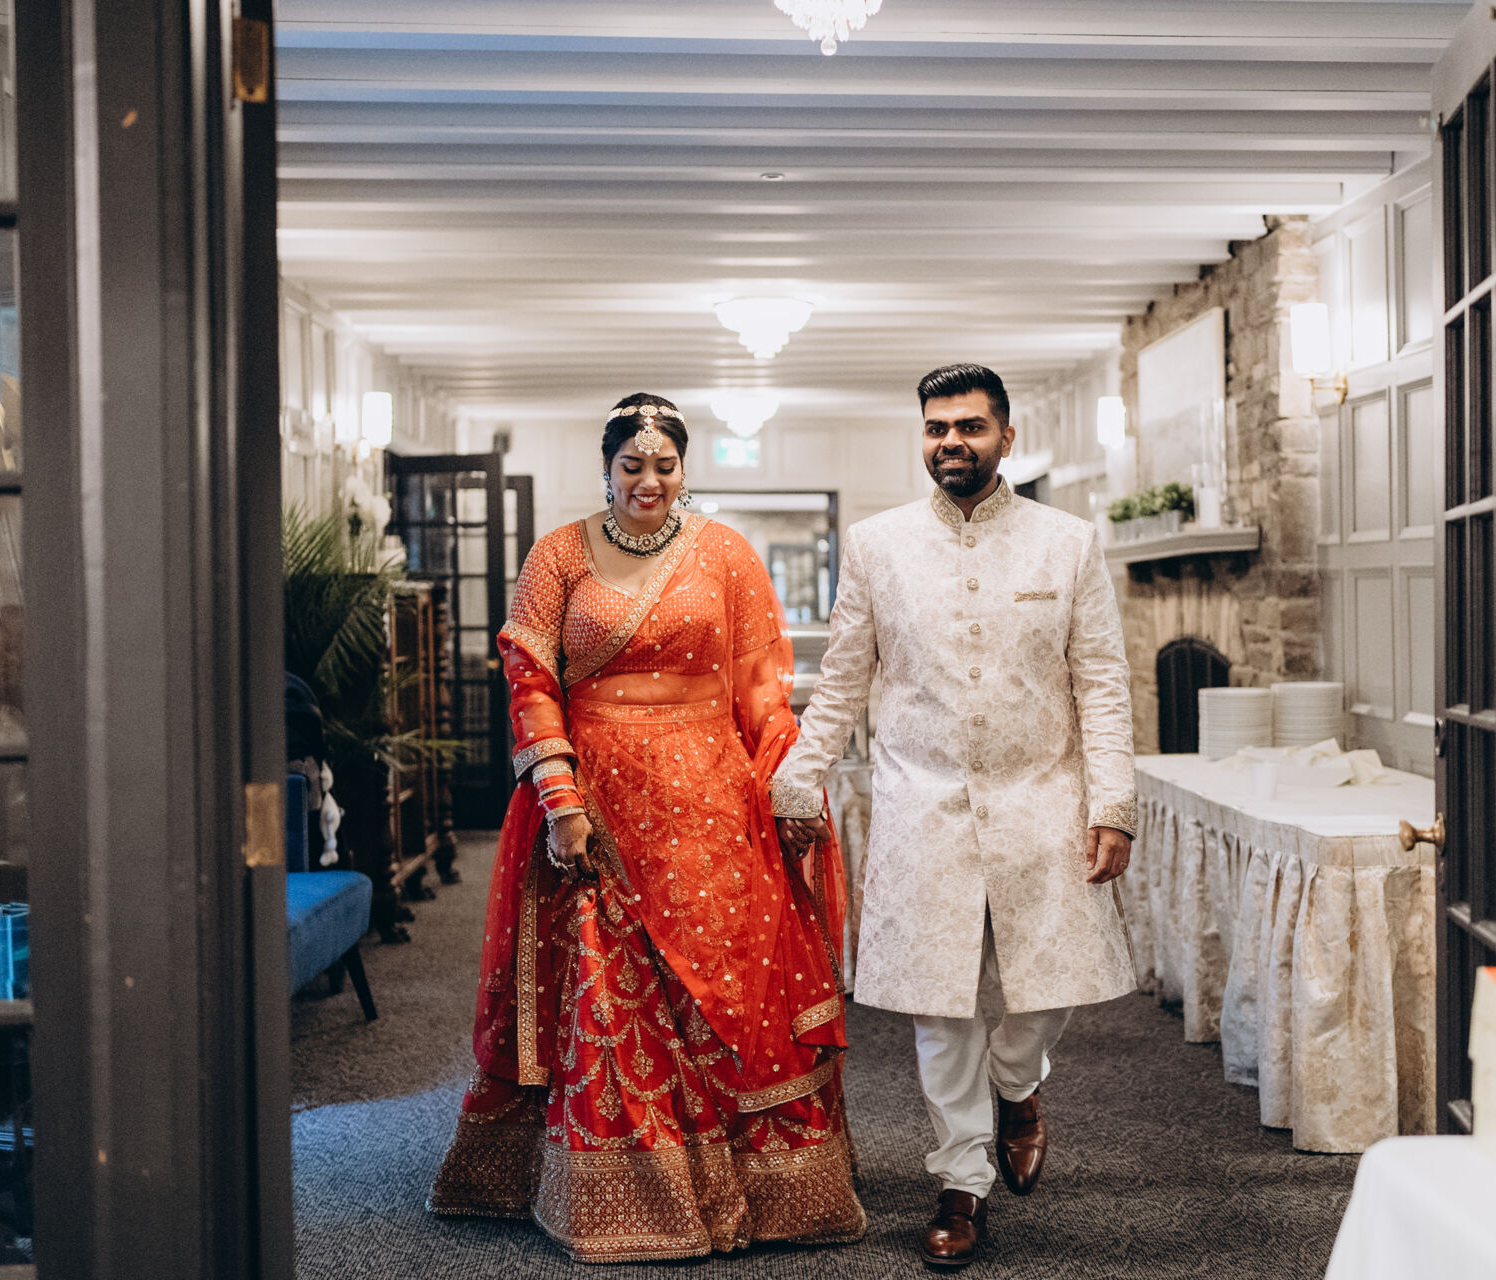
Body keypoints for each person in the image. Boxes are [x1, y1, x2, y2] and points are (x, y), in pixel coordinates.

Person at [429, 394, 865, 1263]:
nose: (649, 482)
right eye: (632, 466)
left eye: (665, 466)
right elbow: (531, 681)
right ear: (607, 468)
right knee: (605, 988)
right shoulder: (558, 555)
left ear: (684, 468)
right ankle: (621, 1195)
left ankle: (758, 1190)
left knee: (725, 987)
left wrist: (789, 784)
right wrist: (561, 801)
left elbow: (763, 689)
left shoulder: (727, 554)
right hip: (597, 808)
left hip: (713, 808)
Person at [773, 363, 1138, 1270]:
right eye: (937, 428)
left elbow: (1101, 681)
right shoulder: (878, 544)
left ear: (1006, 437)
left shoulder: (1067, 543)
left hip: (1042, 798)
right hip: (921, 805)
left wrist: (1113, 802)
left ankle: (1018, 1083)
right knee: (939, 1009)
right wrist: (798, 776)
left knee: (1045, 991)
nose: (951, 443)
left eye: (970, 427)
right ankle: (960, 1183)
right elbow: (843, 680)